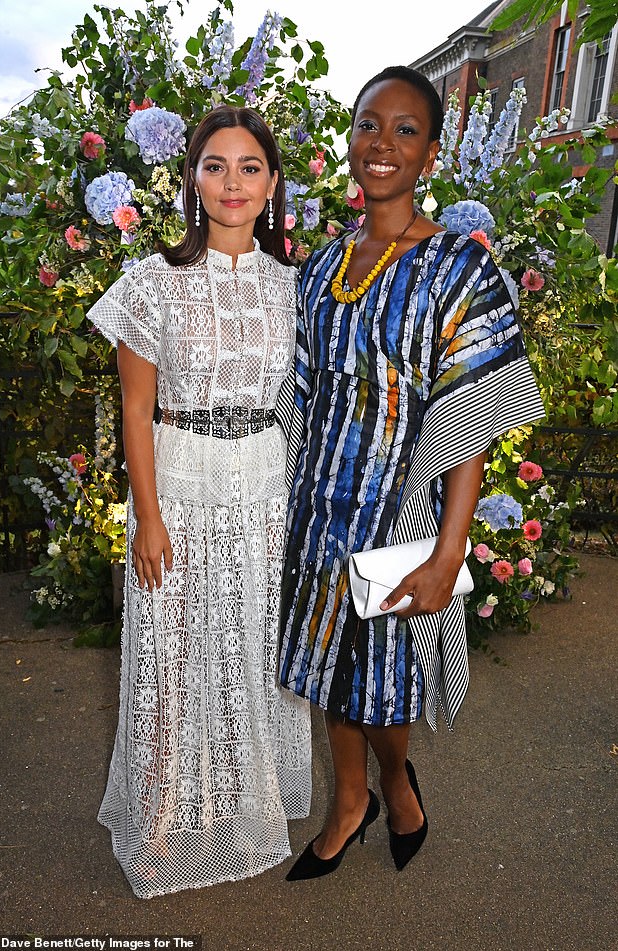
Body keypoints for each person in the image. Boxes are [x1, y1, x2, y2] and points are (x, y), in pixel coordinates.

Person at [277, 66, 544, 880]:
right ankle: (348, 800)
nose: (381, 144)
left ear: (429, 153)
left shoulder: (461, 267)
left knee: (384, 677)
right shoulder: (323, 269)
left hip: (403, 511)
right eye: (368, 125)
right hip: (319, 504)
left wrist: (450, 550)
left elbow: (470, 418)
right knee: (328, 662)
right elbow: (297, 391)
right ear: (349, 140)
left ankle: (396, 779)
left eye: (404, 130)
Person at [87, 105, 312, 898]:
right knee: (170, 653)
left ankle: (251, 803)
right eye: (215, 165)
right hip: (180, 485)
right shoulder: (153, 281)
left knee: (255, 647)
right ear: (191, 177)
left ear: (273, 182)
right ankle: (154, 818)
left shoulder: (296, 285)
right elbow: (135, 410)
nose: (233, 183)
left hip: (265, 488)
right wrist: (146, 514)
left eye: (250, 167)